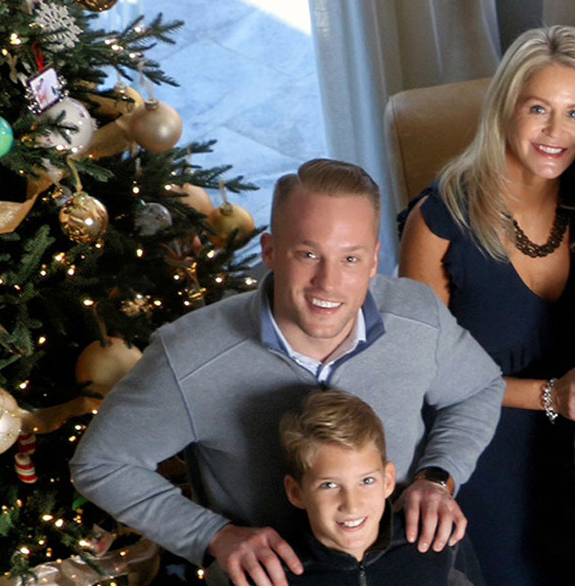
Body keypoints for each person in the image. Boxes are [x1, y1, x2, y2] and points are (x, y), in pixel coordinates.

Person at [72, 159, 505, 586]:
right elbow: (101, 462)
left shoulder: (418, 317)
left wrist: (438, 476)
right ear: (270, 251)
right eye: (308, 254)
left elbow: (479, 388)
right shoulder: (188, 355)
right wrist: (212, 536)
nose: (328, 283)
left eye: (350, 259)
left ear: (374, 260)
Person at [398, 25, 575, 586]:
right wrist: (550, 395)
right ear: (505, 109)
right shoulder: (437, 222)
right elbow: (418, 372)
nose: (556, 132)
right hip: (485, 450)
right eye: (539, 109)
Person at [276, 389, 469, 585]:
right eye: (329, 485)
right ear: (295, 492)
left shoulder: (438, 539)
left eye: (366, 481)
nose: (352, 505)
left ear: (387, 481)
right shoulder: (273, 572)